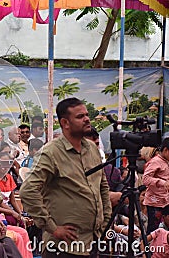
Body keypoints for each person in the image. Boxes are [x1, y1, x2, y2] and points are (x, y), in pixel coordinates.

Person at [20, 97, 111, 257]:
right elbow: (28, 191)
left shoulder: (92, 149)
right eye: (80, 116)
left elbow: (102, 186)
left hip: (93, 242)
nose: (87, 119)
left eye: (87, 115)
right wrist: (52, 228)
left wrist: (105, 223)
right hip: (63, 248)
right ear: (65, 123)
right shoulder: (51, 152)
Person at [143, 138, 169, 234]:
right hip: (155, 202)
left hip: (165, 200)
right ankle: (149, 248)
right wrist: (162, 182)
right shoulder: (155, 161)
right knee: (153, 231)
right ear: (166, 150)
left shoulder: (166, 161)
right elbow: (145, 179)